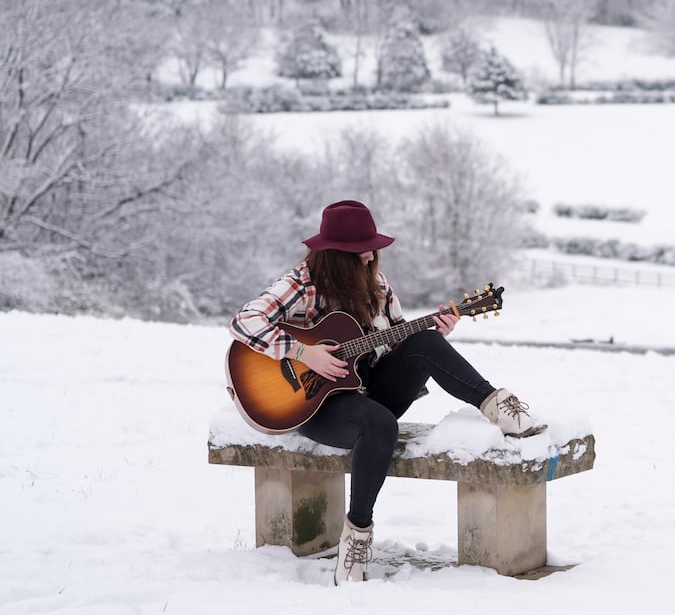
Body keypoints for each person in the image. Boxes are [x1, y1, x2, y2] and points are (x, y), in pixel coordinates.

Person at [229, 200, 545, 586]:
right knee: (379, 425)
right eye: (360, 250)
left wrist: (436, 334)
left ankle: (499, 405)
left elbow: (396, 342)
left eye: (371, 248)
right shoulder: (301, 282)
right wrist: (303, 352)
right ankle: (356, 539)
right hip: (313, 406)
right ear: (334, 254)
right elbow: (244, 321)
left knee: (424, 340)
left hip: (365, 386)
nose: (370, 256)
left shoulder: (376, 285)